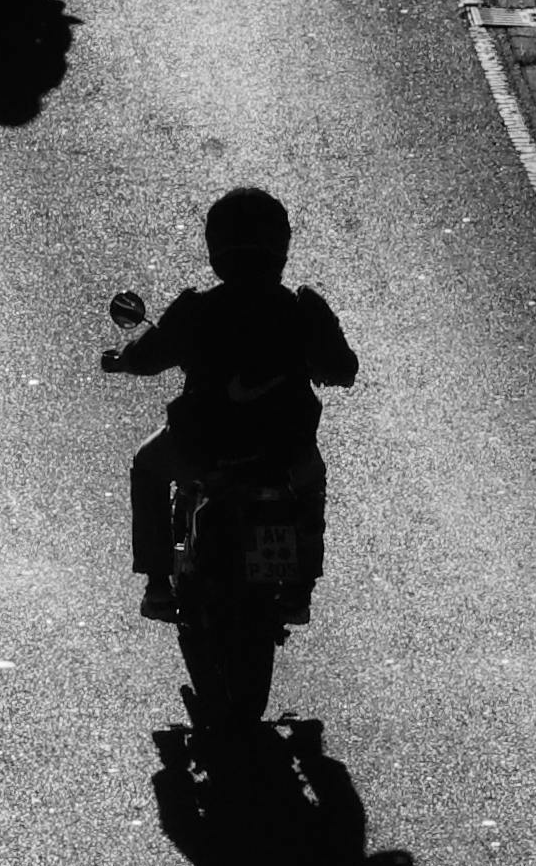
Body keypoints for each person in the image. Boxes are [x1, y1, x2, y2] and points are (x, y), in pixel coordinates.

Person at [101, 185, 357, 622]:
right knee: (310, 484)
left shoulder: (197, 309)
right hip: (281, 449)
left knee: (148, 466)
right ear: (281, 245)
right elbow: (344, 368)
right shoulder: (302, 309)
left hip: (203, 448)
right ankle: (299, 590)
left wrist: (121, 360)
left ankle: (158, 584)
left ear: (216, 247)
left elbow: (146, 358)